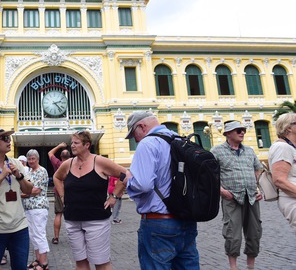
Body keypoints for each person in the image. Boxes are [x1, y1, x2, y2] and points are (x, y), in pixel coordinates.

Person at [124, 111, 199, 269]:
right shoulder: (180, 139)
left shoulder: (148, 143)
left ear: (142, 126)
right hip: (186, 221)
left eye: (134, 134)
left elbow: (143, 185)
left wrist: (128, 181)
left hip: (158, 223)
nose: (136, 140)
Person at [53, 130, 129, 270]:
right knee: (80, 262)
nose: (72, 146)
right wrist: (63, 196)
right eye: (72, 143)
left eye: (76, 143)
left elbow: (125, 174)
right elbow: (56, 177)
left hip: (97, 221)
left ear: (87, 145)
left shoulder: (99, 161)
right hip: (73, 219)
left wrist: (114, 197)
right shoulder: (68, 164)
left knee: (101, 263)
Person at [211, 121, 263, 270]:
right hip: (231, 198)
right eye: (238, 130)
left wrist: (259, 189)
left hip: (252, 198)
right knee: (232, 234)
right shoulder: (217, 151)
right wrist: (221, 191)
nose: (242, 133)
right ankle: (233, 267)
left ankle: (250, 267)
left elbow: (258, 170)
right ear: (228, 133)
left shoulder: (249, 151)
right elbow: (209, 175)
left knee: (255, 233)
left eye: (244, 130)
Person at [0, 124, 34, 270]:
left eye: (9, 138)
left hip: (20, 227)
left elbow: (29, 190)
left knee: (20, 267)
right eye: (4, 138)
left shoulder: (16, 163)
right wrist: (1, 176)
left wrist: (19, 176)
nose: (8, 141)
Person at [22, 149, 50, 270]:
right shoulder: (29, 172)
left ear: (38, 159)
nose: (31, 161)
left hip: (38, 207)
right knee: (33, 235)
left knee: (39, 234)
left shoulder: (42, 171)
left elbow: (36, 191)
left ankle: (44, 263)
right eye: (29, 159)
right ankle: (38, 260)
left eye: (33, 159)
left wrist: (20, 194)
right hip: (29, 208)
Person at [269, 113, 296, 230]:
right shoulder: (282, 147)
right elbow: (279, 180)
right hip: (292, 200)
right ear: (289, 127)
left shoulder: (289, 147)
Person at [48, 142, 71, 245]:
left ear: (61, 156)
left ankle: (56, 237)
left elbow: (50, 153)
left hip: (58, 191)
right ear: (70, 156)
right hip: (70, 191)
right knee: (72, 214)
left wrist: (59, 146)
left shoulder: (57, 163)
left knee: (58, 214)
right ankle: (74, 236)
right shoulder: (72, 163)